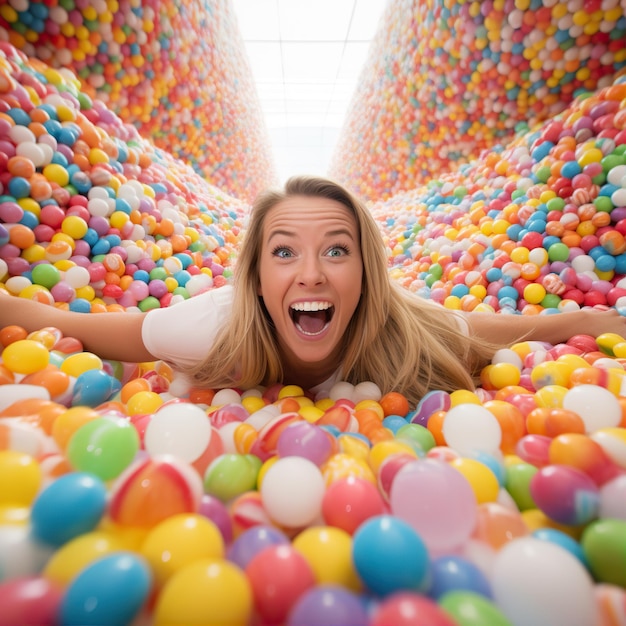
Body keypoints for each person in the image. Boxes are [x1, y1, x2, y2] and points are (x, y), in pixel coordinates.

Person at [1, 175, 624, 407]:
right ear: (254, 277)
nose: (311, 274)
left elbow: (503, 330)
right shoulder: (208, 327)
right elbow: (76, 326)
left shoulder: (403, 328)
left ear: (366, 273)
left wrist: (594, 326)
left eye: (336, 249)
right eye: (283, 252)